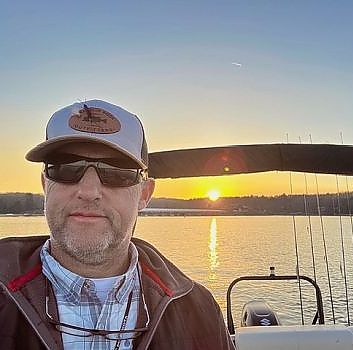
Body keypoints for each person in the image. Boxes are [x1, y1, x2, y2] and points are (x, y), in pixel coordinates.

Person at [0, 99, 235, 350]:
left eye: (116, 172)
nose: (89, 191)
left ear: (145, 194)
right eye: (66, 168)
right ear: (46, 185)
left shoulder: (199, 312)